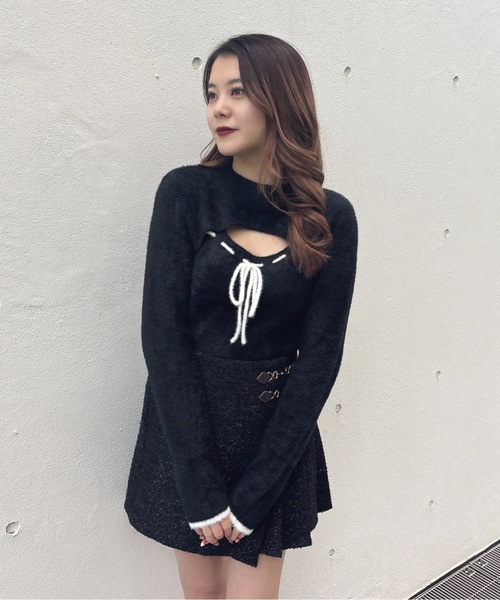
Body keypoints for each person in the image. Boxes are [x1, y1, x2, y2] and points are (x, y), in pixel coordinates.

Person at [124, 33, 358, 599]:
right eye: (211, 94)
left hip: (270, 436)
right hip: (188, 426)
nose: (218, 108)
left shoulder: (329, 216)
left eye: (237, 92)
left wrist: (257, 491)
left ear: (281, 99)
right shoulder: (186, 192)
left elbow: (320, 357)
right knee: (202, 595)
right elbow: (163, 338)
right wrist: (200, 485)